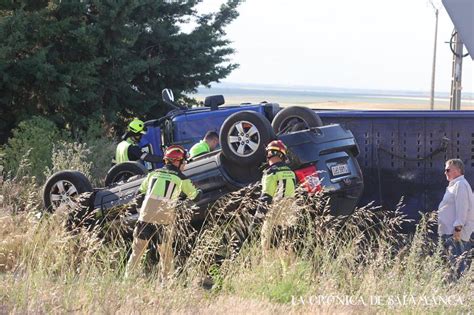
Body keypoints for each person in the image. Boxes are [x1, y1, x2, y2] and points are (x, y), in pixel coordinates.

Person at [125, 145, 202, 279]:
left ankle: (127, 281)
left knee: (136, 253)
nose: (185, 165)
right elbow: (195, 196)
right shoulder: (181, 178)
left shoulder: (152, 174)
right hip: (163, 221)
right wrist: (200, 191)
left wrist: (141, 211)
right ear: (177, 161)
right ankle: (166, 284)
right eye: (184, 161)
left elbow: (139, 194)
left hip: (145, 218)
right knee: (166, 255)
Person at [254, 140, 297, 252]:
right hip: (290, 214)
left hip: (274, 215)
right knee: (287, 249)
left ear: (269, 154)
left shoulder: (270, 173)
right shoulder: (291, 172)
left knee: (267, 249)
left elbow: (266, 198)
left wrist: (257, 220)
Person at [438, 158, 474, 278]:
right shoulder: (456, 185)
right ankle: (455, 289)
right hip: (450, 232)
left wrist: (458, 229)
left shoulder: (460, 185)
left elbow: (462, 208)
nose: (445, 173)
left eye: (448, 170)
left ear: (457, 170)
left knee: (457, 265)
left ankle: (458, 289)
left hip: (454, 233)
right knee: (453, 264)